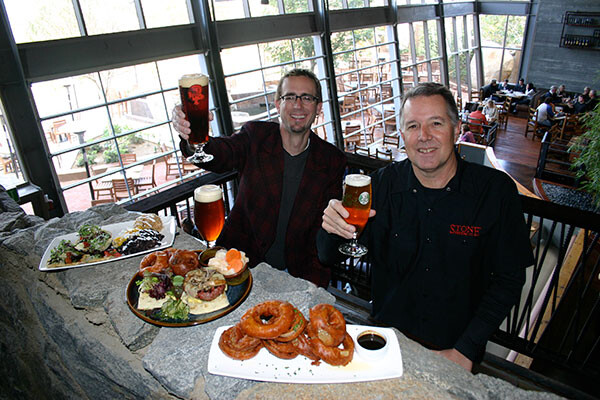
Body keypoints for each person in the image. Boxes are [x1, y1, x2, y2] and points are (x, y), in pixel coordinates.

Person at [317, 82, 532, 372]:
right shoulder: (380, 185)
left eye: (436, 123)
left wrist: (464, 350)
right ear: (402, 135)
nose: (424, 137)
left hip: (455, 349)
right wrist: (331, 226)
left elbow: (509, 279)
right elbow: (327, 256)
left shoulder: (495, 192)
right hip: (385, 341)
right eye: (413, 126)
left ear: (456, 129)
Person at [172, 68, 346, 287]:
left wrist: (311, 286)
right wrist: (193, 139)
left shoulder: (331, 160)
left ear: (318, 108)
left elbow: (325, 229)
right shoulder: (255, 137)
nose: (298, 105)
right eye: (290, 97)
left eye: (307, 98)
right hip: (240, 267)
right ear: (277, 104)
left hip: (297, 276)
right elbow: (219, 155)